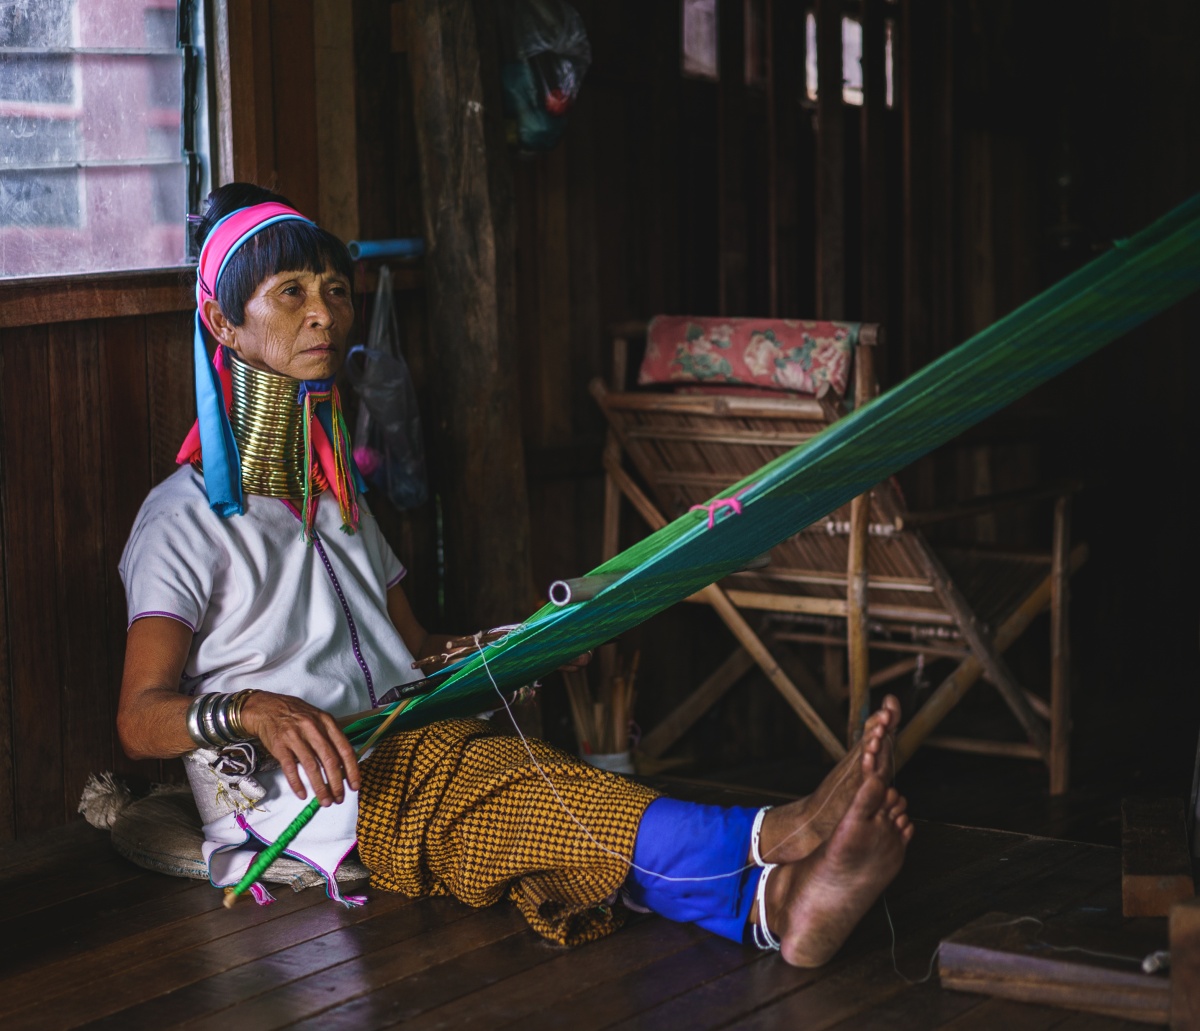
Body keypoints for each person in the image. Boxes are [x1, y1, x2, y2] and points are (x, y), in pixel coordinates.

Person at [116, 183, 913, 967]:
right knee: (520, 791)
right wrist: (255, 708)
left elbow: (417, 647)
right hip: (310, 797)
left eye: (333, 289)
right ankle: (773, 832)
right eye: (291, 292)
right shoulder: (182, 517)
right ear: (222, 320)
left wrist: (520, 644)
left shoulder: (341, 501)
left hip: (414, 745)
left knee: (542, 814)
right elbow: (139, 717)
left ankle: (776, 910)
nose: (325, 311)